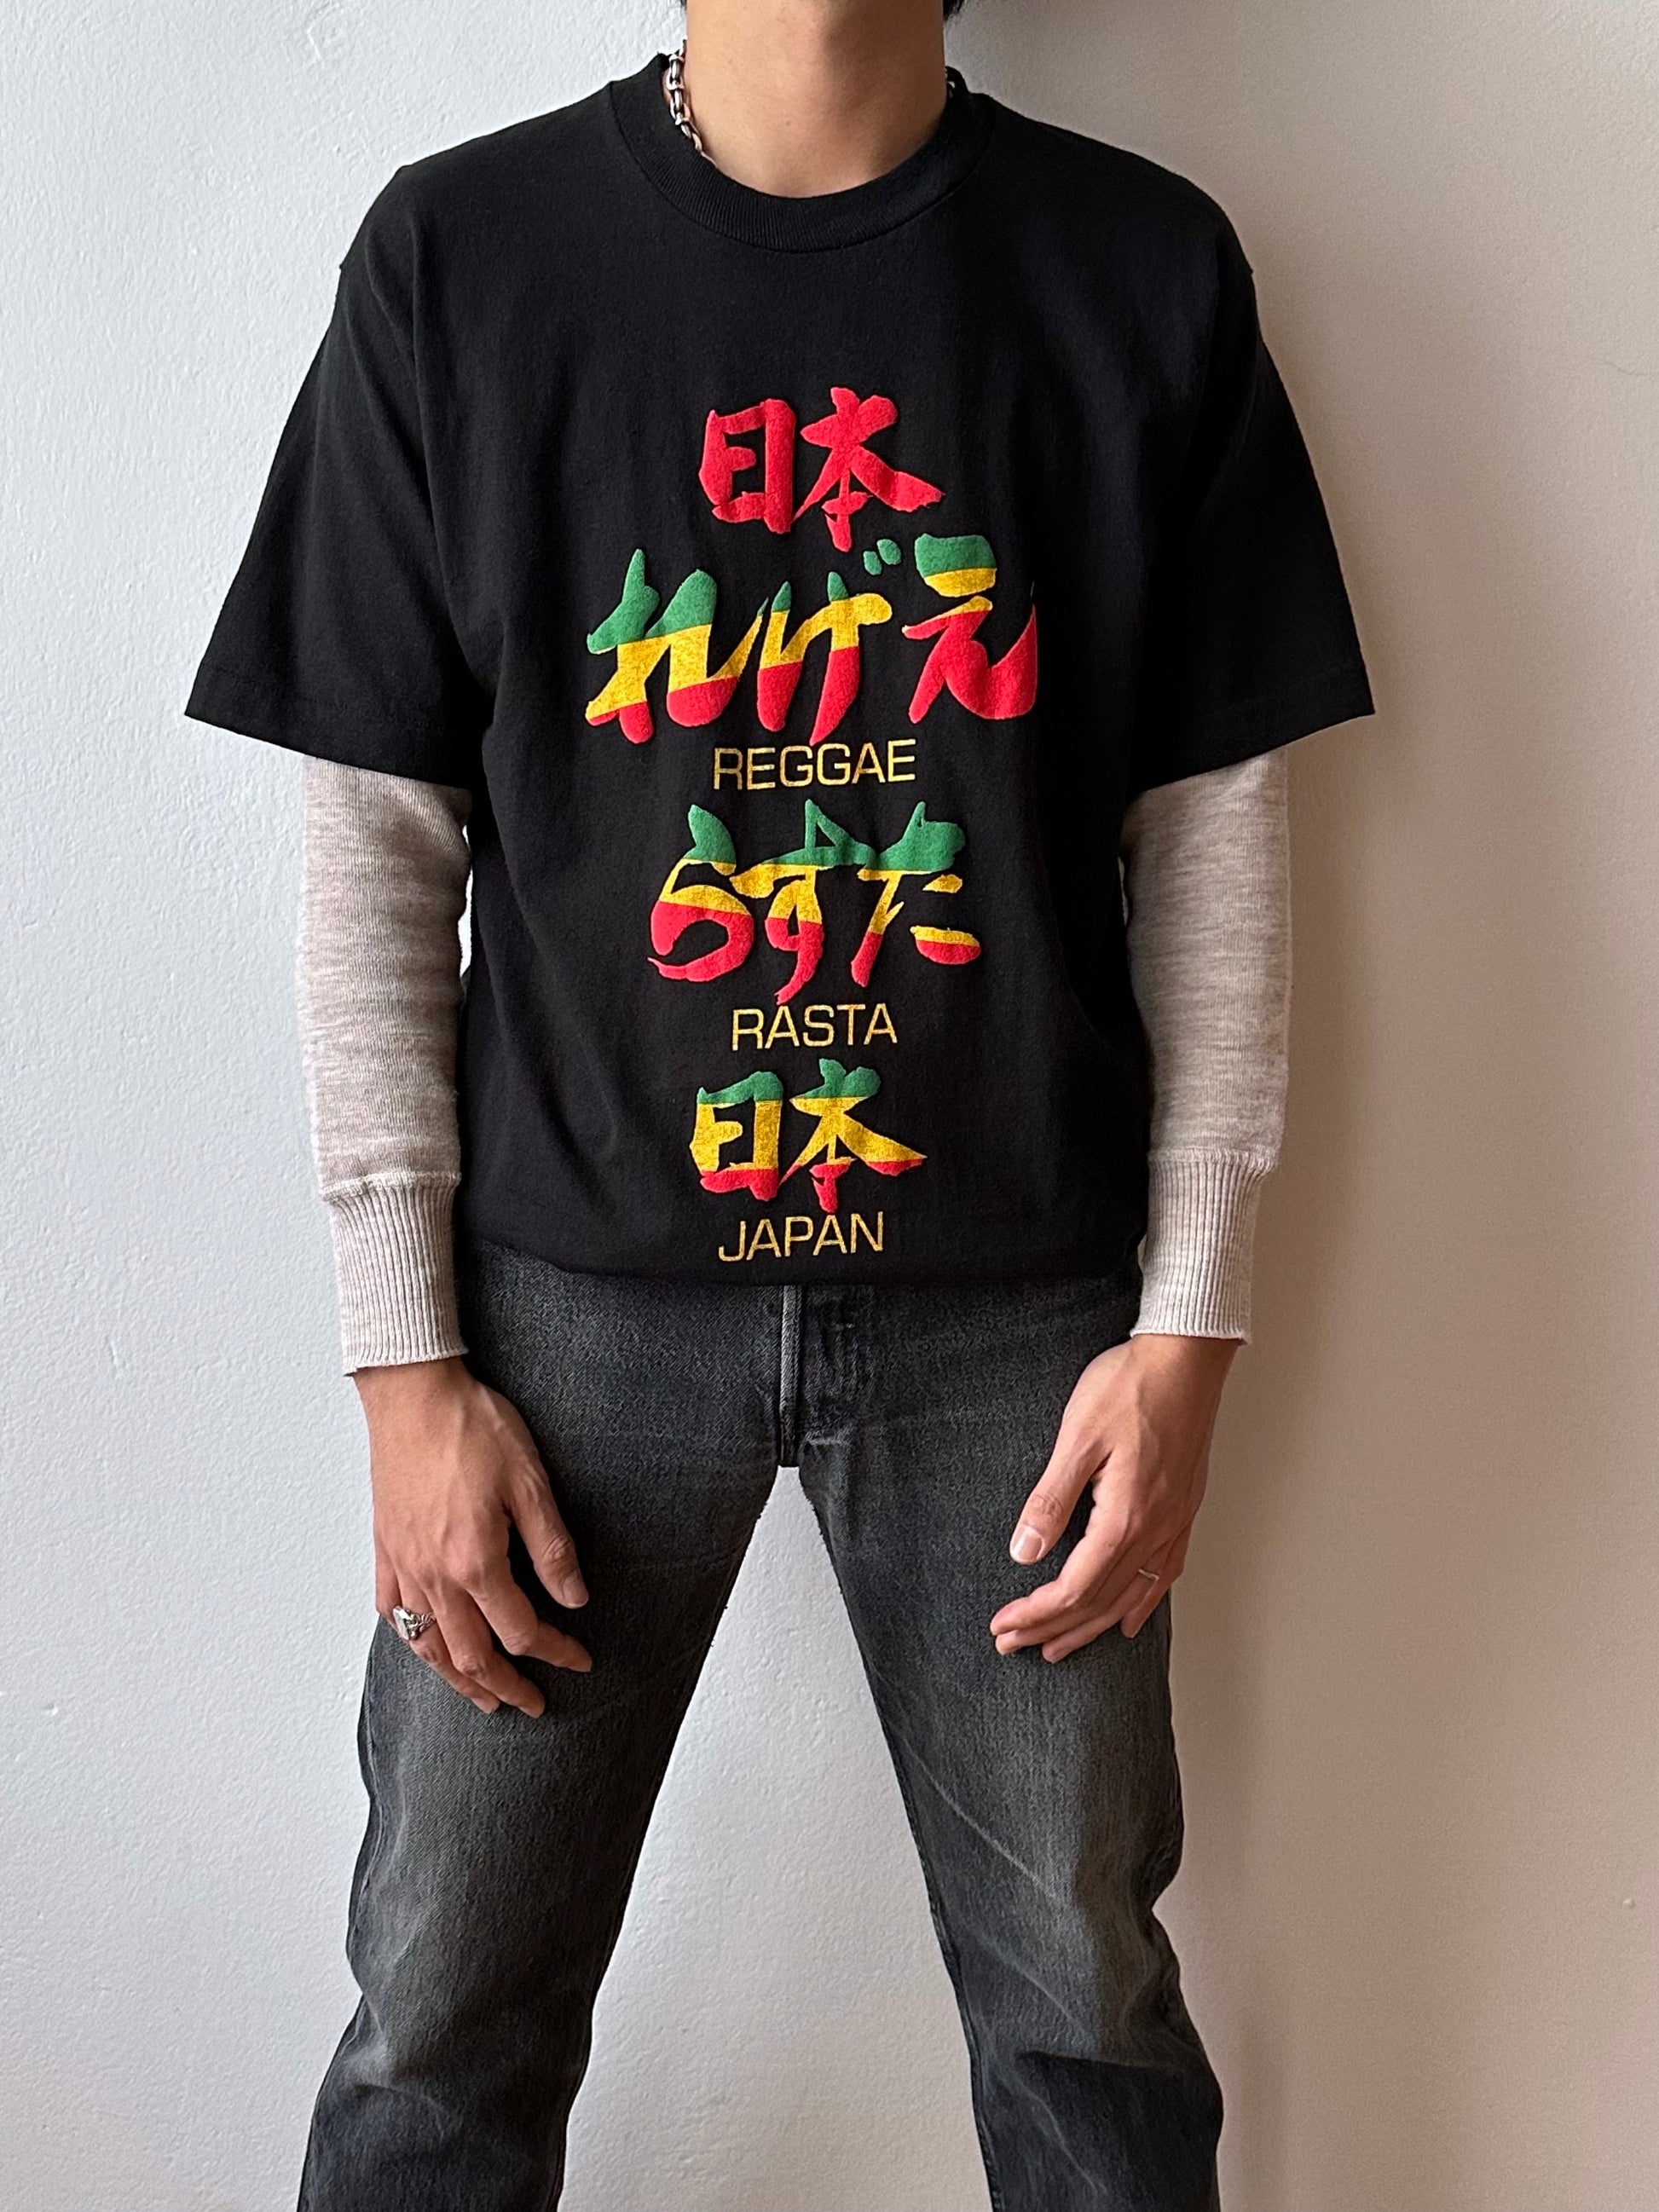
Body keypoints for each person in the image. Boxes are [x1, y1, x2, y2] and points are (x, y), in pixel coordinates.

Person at [186, 0, 1372, 2203]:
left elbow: (1211, 828)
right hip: (560, 1323)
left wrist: (1189, 1318)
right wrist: (402, 1367)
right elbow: (377, 837)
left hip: (1018, 1320)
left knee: (1085, 2014)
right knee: (439, 2018)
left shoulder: (1138, 272)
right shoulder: (461, 261)